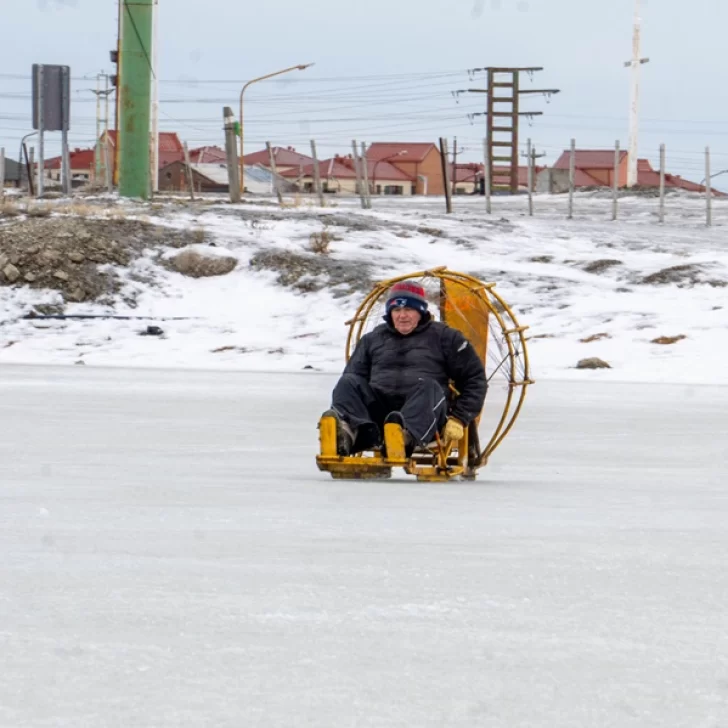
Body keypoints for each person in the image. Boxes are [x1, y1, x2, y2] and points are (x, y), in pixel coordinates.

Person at [322, 280, 488, 456]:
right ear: (389, 312)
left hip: (424, 415)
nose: (402, 315)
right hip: (381, 414)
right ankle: (350, 433)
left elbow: (475, 380)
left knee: (429, 386)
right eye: (396, 310)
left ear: (421, 311)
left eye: (408, 309)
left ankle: (404, 437)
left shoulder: (446, 337)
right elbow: (353, 382)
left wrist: (459, 418)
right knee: (348, 382)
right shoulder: (372, 339)